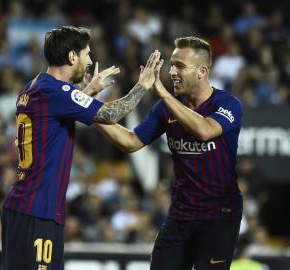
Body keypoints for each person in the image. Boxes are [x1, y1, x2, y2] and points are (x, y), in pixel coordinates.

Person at [1, 26, 160, 270]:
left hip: (21, 207)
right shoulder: (55, 91)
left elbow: (57, 116)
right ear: (72, 57)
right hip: (39, 209)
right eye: (86, 54)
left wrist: (89, 92)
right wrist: (143, 85)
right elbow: (109, 114)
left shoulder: (33, 86)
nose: (89, 61)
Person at [95, 36, 243, 270]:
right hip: (180, 215)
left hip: (219, 216)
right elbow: (131, 142)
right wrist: (90, 112)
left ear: (202, 71)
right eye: (171, 64)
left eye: (180, 66)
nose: (172, 71)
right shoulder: (164, 109)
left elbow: (205, 130)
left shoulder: (228, 105)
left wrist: (162, 93)